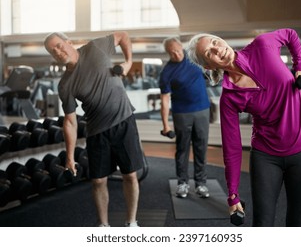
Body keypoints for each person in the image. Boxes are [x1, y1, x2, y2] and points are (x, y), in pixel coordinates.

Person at [187, 28, 301, 226]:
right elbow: (232, 148)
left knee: (298, 223)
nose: (217, 50)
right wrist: (232, 195)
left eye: (215, 42)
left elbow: (290, 35)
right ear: (208, 65)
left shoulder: (262, 46)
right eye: (209, 53)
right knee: (262, 223)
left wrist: (300, 66)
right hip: (266, 155)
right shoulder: (229, 97)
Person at [44, 31, 144, 227]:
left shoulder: (95, 48)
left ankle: (131, 223)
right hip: (97, 131)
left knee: (130, 175)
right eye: (52, 50)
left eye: (58, 45)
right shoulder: (65, 84)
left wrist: (129, 62)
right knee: (98, 181)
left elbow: (123, 35)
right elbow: (70, 122)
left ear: (68, 42)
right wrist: (70, 156)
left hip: (124, 121)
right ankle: (103, 226)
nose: (57, 51)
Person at [159, 37, 211, 198]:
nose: (176, 54)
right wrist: (166, 125)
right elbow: (165, 100)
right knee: (182, 148)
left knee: (201, 146)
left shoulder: (194, 58)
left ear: (181, 46)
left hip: (202, 109)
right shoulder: (167, 72)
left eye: (177, 49)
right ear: (168, 53)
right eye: (171, 52)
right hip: (181, 113)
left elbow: (211, 66)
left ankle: (201, 183)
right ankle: (182, 183)